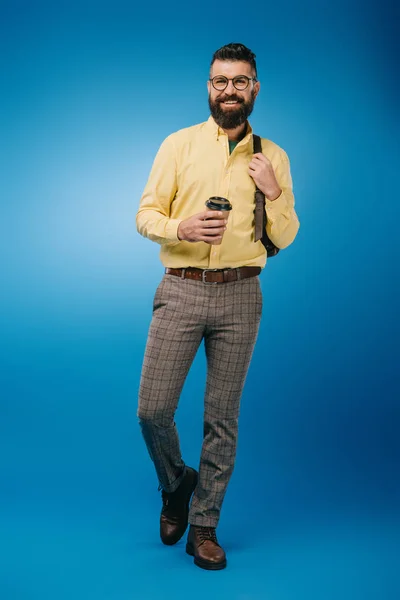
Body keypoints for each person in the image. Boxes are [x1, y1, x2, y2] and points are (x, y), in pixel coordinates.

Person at [136, 42, 300, 570]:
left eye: (239, 80)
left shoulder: (272, 156)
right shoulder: (178, 145)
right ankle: (176, 483)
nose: (229, 89)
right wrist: (178, 227)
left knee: (221, 419)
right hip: (181, 287)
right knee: (153, 410)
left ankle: (204, 526)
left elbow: (288, 235)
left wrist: (273, 195)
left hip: (241, 295)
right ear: (209, 87)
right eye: (219, 80)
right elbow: (145, 214)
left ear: (254, 88)